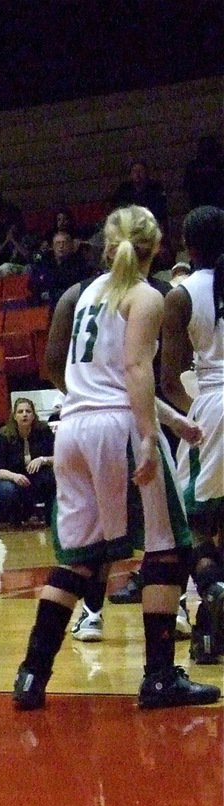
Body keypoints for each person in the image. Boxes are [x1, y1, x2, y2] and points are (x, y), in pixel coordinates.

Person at [12, 205, 218, 711]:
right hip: (118, 430)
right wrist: (150, 435)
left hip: (72, 430)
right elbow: (132, 373)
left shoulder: (80, 295)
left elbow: (81, 372)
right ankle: (160, 676)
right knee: (167, 547)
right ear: (158, 246)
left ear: (108, 246)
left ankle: (31, 675)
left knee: (79, 559)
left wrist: (174, 421)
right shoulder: (147, 295)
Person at [160, 205, 224, 664]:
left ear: (188, 244)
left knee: (194, 524)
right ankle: (212, 633)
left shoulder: (182, 295)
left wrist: (192, 415)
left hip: (214, 405)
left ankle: (211, 592)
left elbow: (168, 380)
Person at [0, 398, 55, 526]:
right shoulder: (5, 436)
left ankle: (51, 518)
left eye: (28, 411)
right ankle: (15, 518)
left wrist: (42, 460)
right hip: (17, 483)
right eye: (20, 411)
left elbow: (59, 458)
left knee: (52, 477)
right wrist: (14, 476)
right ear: (14, 416)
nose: (24, 414)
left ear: (33, 416)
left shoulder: (44, 432)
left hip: (39, 481)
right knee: (5, 488)